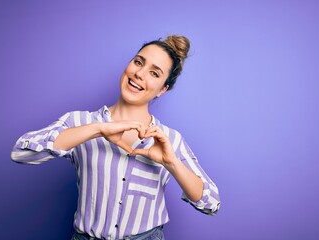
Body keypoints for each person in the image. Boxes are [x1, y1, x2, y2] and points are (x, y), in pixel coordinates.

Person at [11, 35, 220, 240]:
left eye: (154, 74)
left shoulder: (170, 140)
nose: (140, 74)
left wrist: (171, 162)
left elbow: (211, 203)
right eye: (138, 62)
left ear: (162, 90)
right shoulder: (81, 122)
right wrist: (98, 130)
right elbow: (20, 153)